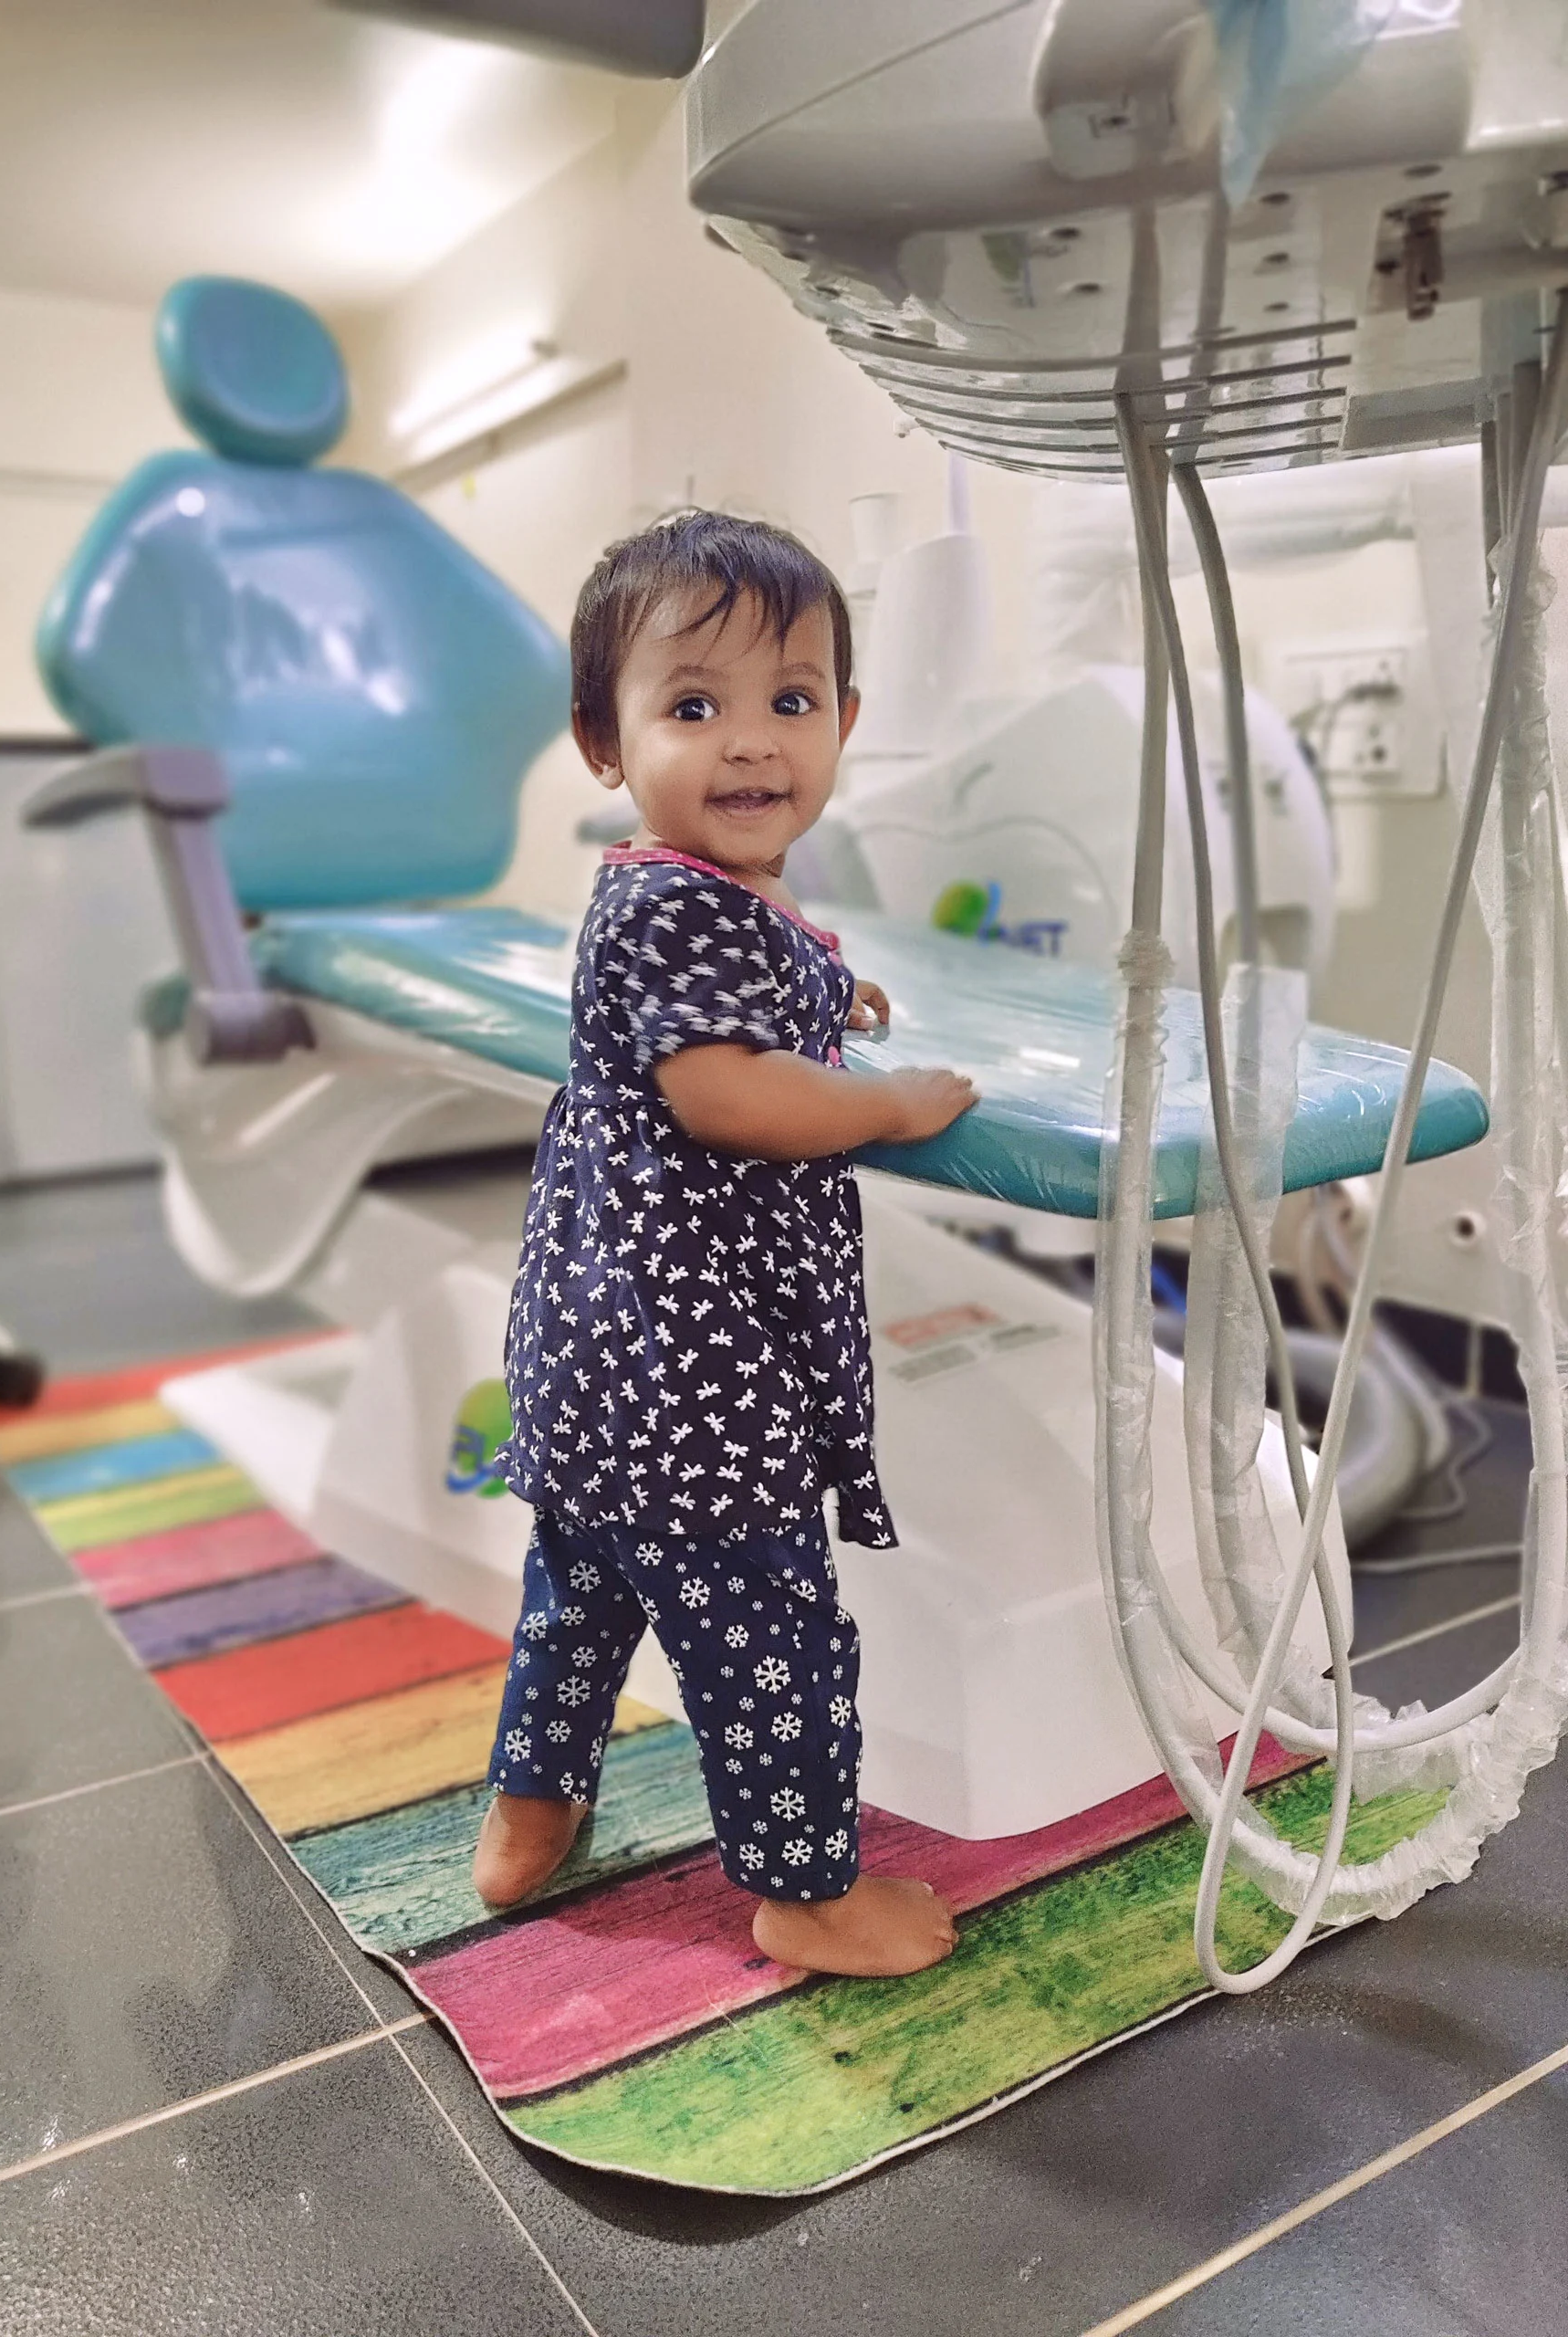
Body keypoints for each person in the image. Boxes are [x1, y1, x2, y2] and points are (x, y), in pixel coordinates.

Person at [472, 511, 977, 1976]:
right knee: (773, 1650)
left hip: (599, 1365)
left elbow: (757, 986)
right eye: (694, 706)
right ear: (604, 741)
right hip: (699, 1384)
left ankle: (532, 1805)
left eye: (791, 702)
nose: (753, 744)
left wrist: (838, 996)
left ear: (845, 722)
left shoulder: (708, 890)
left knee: (581, 1596)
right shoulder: (660, 911)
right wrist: (879, 1103)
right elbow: (725, 1090)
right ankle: (805, 1893)